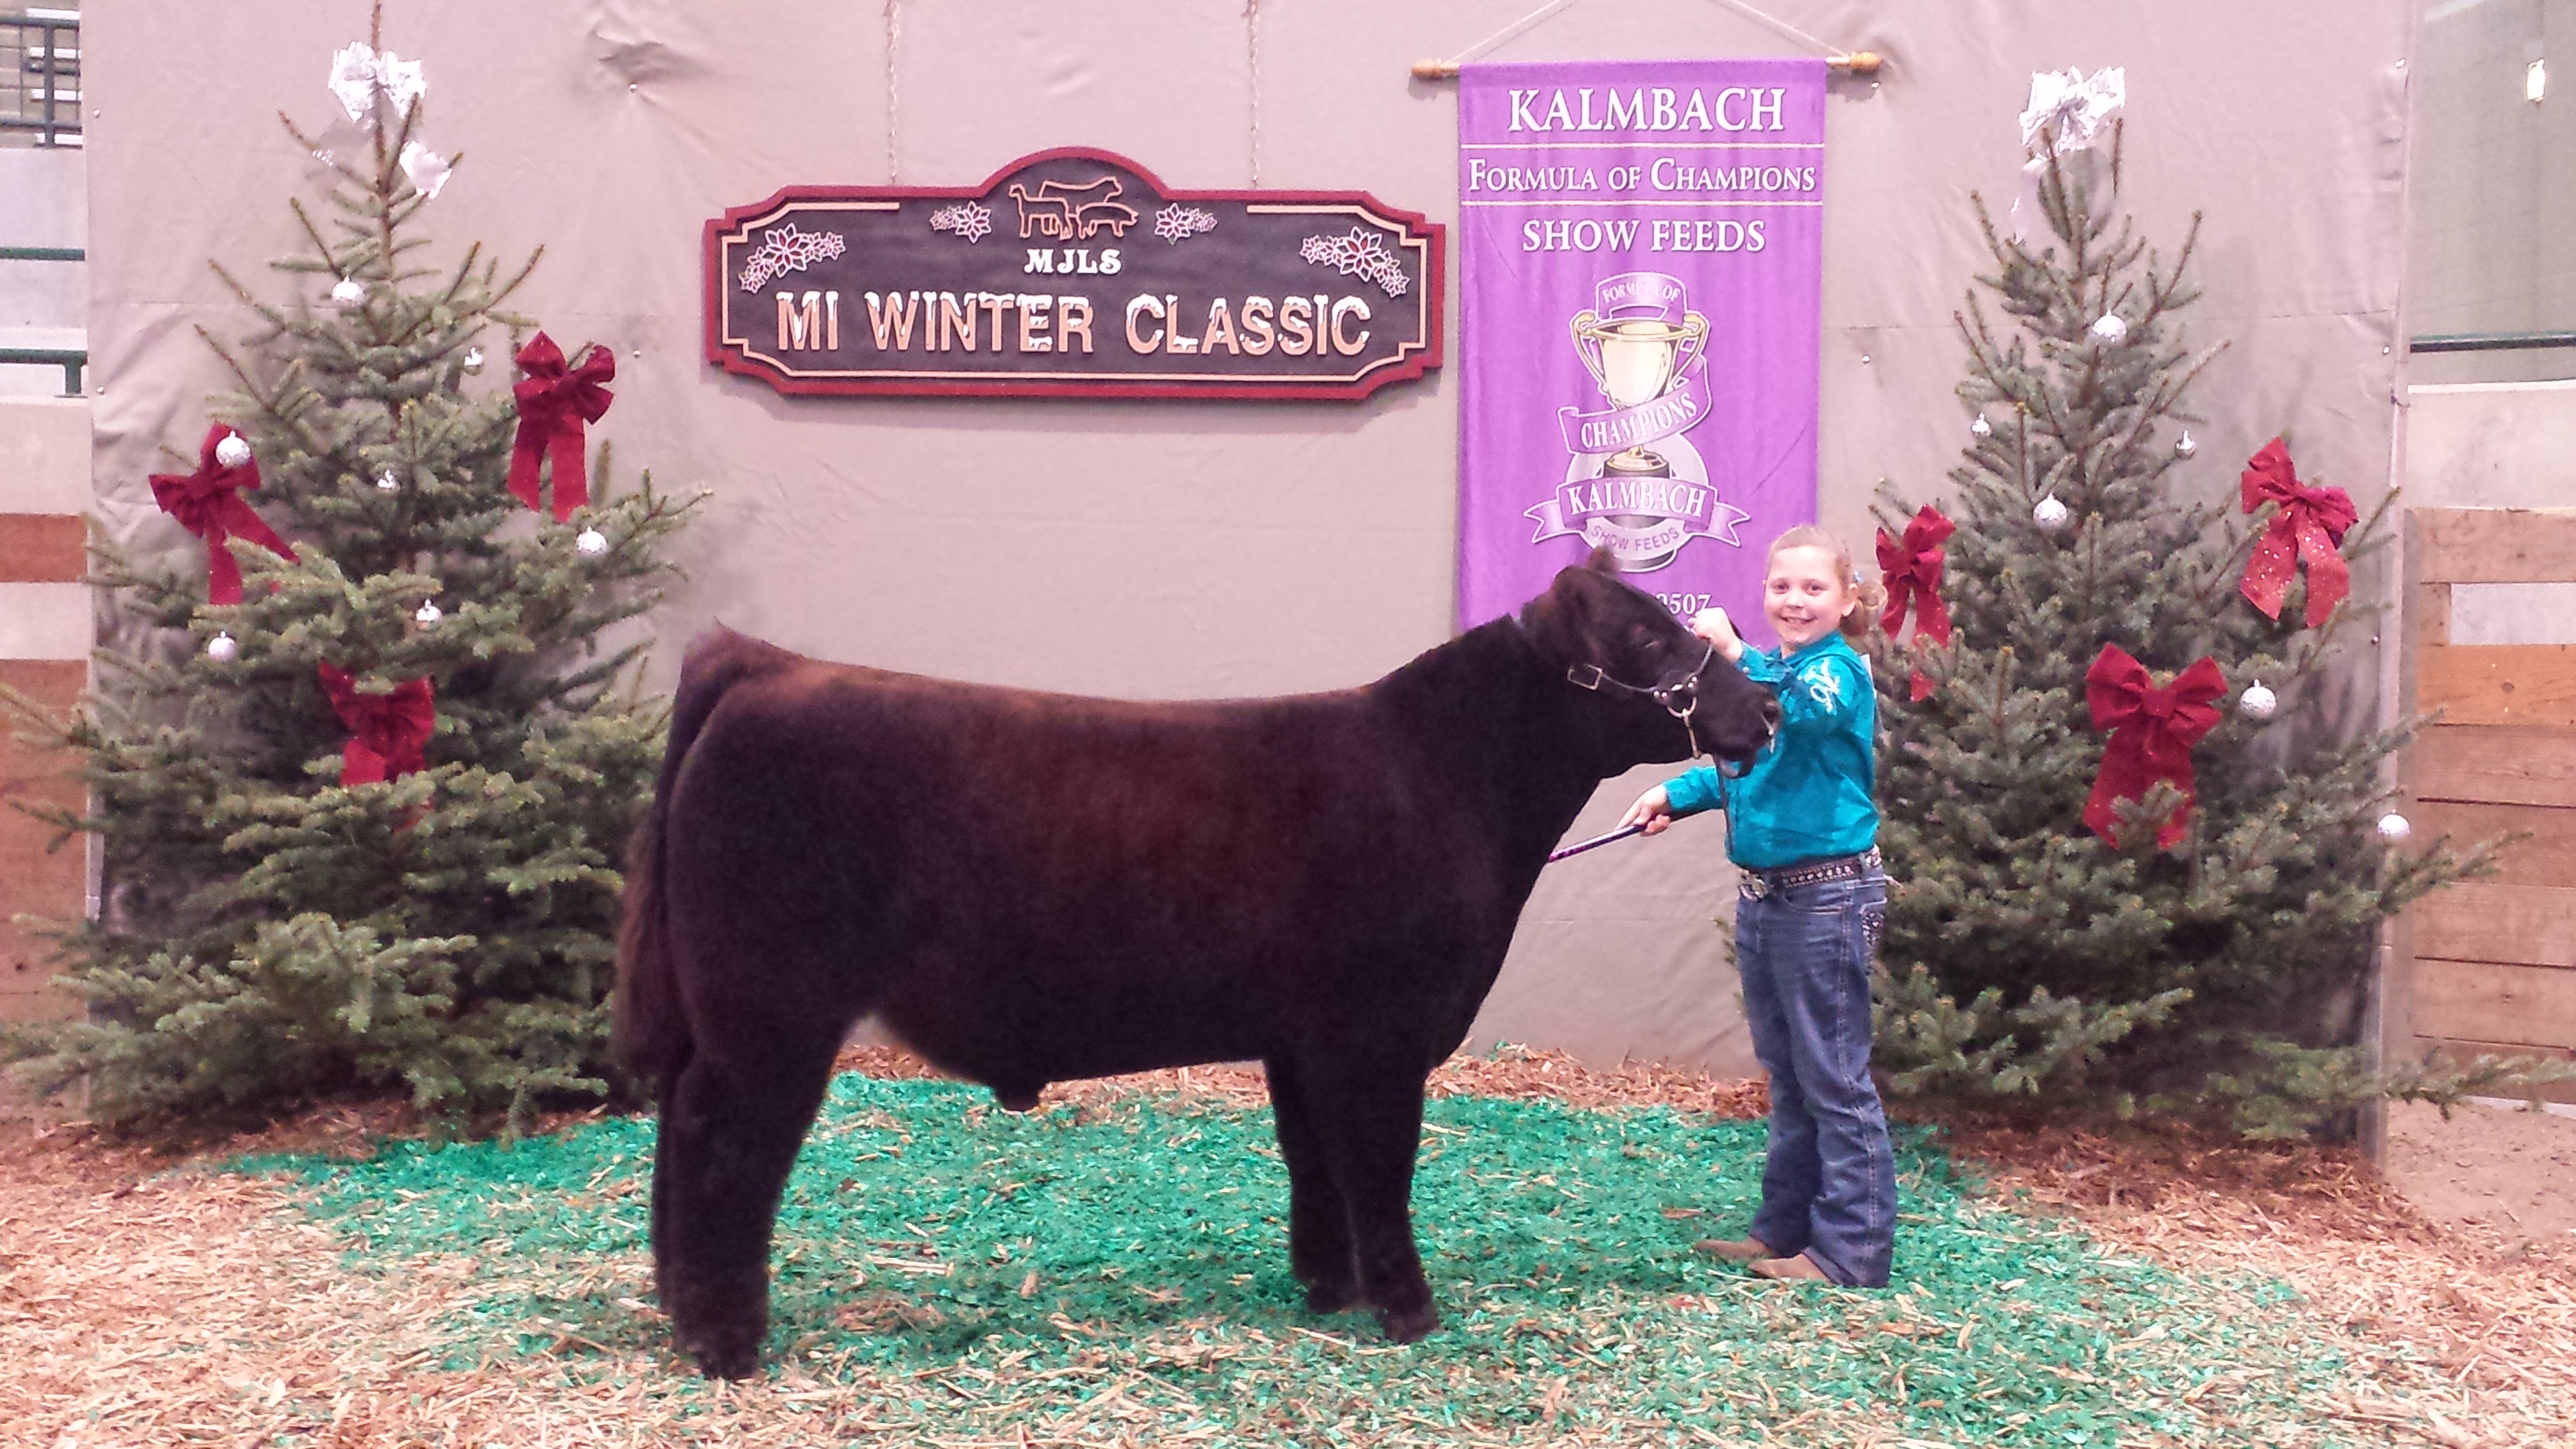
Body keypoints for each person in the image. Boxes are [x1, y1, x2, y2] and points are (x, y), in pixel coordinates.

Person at [1619, 524, 1895, 1288]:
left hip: (1828, 898)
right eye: (1782, 587)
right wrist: (1677, 793)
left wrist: (1735, 654)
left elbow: (1797, 714)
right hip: (1770, 900)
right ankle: (1783, 1230)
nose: (1795, 600)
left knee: (1834, 1076)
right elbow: (1750, 768)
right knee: (1790, 1073)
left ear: (1848, 600)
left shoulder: (1837, 674)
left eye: (1813, 588)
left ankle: (1852, 1253)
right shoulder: (1774, 672)